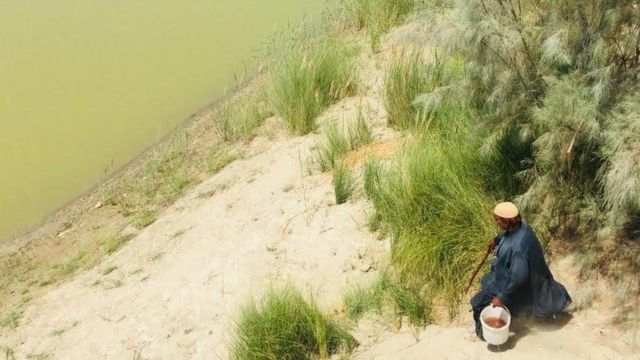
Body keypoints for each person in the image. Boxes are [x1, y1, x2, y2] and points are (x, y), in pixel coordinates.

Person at [468, 202, 572, 342]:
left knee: (478, 302)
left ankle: (482, 334)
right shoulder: (522, 226)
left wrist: (502, 297)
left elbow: (519, 278)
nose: (495, 222)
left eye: (497, 219)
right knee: (486, 282)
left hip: (515, 284)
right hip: (515, 276)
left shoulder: (518, 248)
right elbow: (508, 234)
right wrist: (497, 240)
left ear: (506, 221)